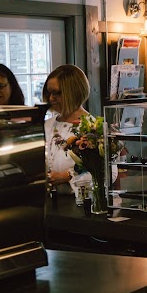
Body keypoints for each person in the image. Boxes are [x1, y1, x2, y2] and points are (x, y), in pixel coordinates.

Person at [43, 65, 92, 196]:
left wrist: (68, 176)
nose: (51, 98)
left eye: (57, 93)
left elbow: (108, 172)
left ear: (74, 92)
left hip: (79, 200)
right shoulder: (47, 125)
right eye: (49, 93)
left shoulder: (93, 127)